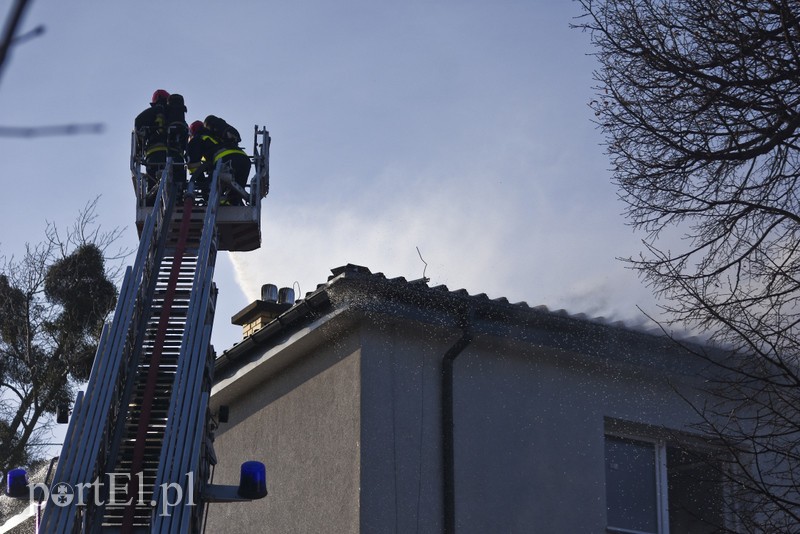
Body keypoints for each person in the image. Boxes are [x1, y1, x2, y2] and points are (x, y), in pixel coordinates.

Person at [134, 89, 188, 204]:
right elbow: (185, 137)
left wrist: (139, 146)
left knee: (153, 188)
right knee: (178, 187)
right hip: (176, 156)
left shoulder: (151, 112)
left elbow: (138, 124)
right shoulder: (177, 117)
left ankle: (152, 202)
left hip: (155, 156)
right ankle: (178, 199)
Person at [186, 116, 251, 206]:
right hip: (244, 160)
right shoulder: (216, 137)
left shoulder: (198, 138)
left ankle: (222, 205)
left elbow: (193, 164)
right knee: (234, 196)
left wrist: (202, 182)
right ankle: (233, 204)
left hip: (226, 160)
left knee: (208, 192)